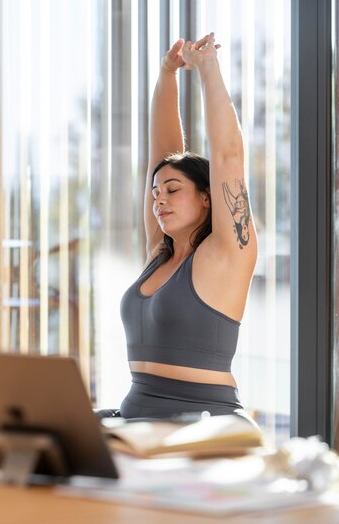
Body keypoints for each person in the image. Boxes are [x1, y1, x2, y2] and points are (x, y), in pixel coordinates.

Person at [118, 32, 258, 422]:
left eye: (173, 190)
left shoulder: (225, 253)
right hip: (135, 419)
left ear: (207, 196)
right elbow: (160, 157)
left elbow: (229, 157)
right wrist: (166, 75)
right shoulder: (158, 252)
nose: (158, 199)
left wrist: (208, 67)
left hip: (202, 422)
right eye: (155, 193)